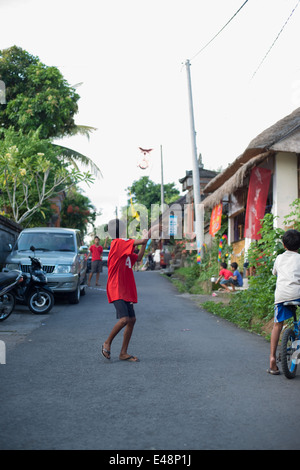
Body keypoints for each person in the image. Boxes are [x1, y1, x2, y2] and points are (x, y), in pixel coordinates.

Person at [101, 219, 158, 362]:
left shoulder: (124, 248)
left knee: (132, 320)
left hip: (125, 289)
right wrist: (150, 232)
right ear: (120, 231)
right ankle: (107, 342)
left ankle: (123, 353)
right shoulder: (117, 243)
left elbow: (138, 258)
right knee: (124, 319)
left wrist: (145, 242)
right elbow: (142, 240)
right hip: (116, 287)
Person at [268, 229, 300, 375]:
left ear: (283, 244)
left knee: (277, 325)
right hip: (297, 294)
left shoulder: (279, 258)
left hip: (281, 296)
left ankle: (272, 359)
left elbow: (274, 272)